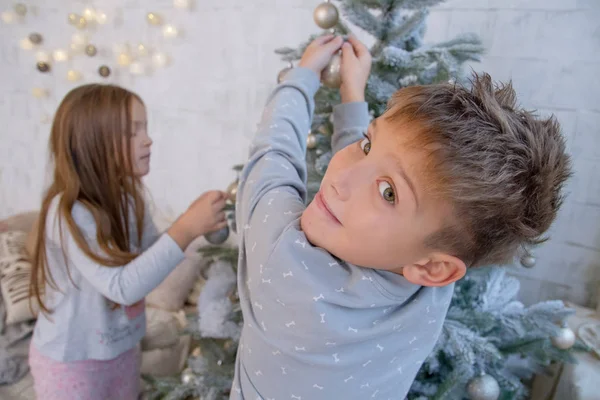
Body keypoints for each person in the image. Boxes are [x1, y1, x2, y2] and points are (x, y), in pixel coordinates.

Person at [230, 34, 571, 399]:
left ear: (434, 269)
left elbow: (272, 158)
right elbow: (388, 167)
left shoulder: (286, 264)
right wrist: (353, 97)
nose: (341, 176)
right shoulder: (430, 283)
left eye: (388, 193)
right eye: (366, 144)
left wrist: (303, 76)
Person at [28, 84, 228, 400]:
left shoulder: (128, 198)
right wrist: (185, 228)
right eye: (133, 132)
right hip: (72, 361)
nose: (148, 139)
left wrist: (193, 223)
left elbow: (147, 260)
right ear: (93, 143)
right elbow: (122, 287)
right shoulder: (68, 212)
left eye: (145, 128)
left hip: (121, 348)